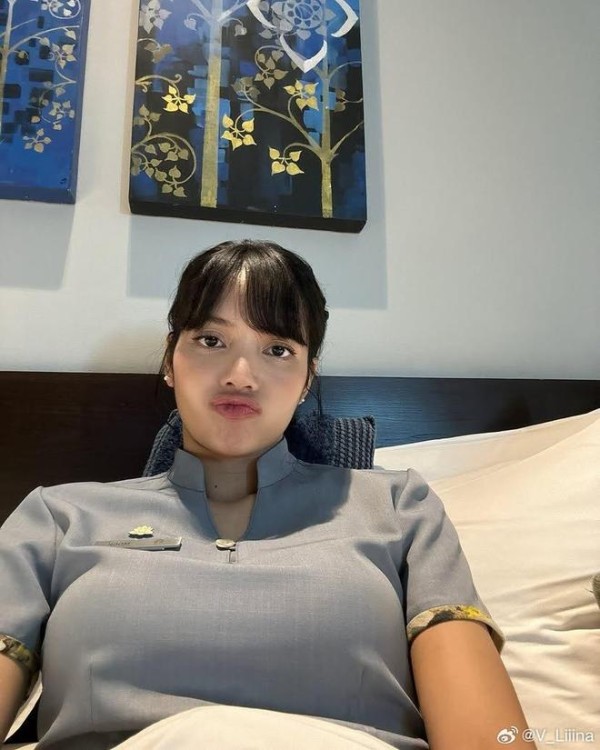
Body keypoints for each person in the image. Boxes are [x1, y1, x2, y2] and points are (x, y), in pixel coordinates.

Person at [0, 240, 535, 750]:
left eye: (278, 349)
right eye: (211, 340)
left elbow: (486, 737)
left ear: (307, 379)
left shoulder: (400, 509)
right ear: (169, 359)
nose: (241, 376)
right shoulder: (58, 518)